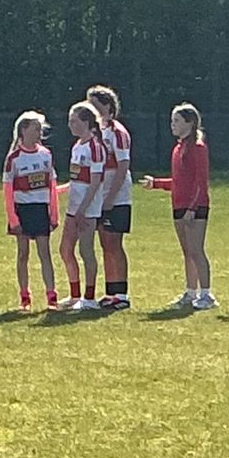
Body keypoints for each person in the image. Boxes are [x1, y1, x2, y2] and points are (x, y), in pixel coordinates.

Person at [141, 102, 214, 309]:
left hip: (195, 207)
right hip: (179, 205)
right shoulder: (178, 148)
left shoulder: (198, 148)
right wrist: (155, 183)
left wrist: (192, 208)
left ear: (189, 123)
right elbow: (178, 181)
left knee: (196, 250)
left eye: (177, 121)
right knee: (187, 251)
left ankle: (207, 294)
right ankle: (191, 292)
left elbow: (201, 181)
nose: (172, 125)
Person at [1, 111, 60, 311]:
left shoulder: (45, 155)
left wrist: (54, 214)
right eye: (35, 129)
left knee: (45, 253)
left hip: (40, 209)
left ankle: (52, 296)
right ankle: (24, 296)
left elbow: (51, 186)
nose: (39, 133)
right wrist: (13, 219)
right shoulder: (14, 158)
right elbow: (7, 191)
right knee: (23, 254)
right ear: (24, 130)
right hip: (22, 210)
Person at [58, 101, 106, 311]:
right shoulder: (77, 146)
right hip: (74, 207)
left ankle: (89, 297)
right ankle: (74, 294)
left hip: (88, 209)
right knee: (65, 249)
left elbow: (95, 182)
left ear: (86, 122)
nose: (70, 125)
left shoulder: (96, 147)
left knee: (86, 250)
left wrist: (83, 210)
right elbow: (78, 178)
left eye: (74, 121)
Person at [89, 85, 133, 310]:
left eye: (95, 105)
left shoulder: (117, 132)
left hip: (117, 196)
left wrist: (111, 196)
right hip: (100, 196)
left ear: (107, 106)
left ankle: (122, 293)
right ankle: (110, 291)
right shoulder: (95, 133)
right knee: (105, 242)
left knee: (114, 242)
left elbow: (123, 164)